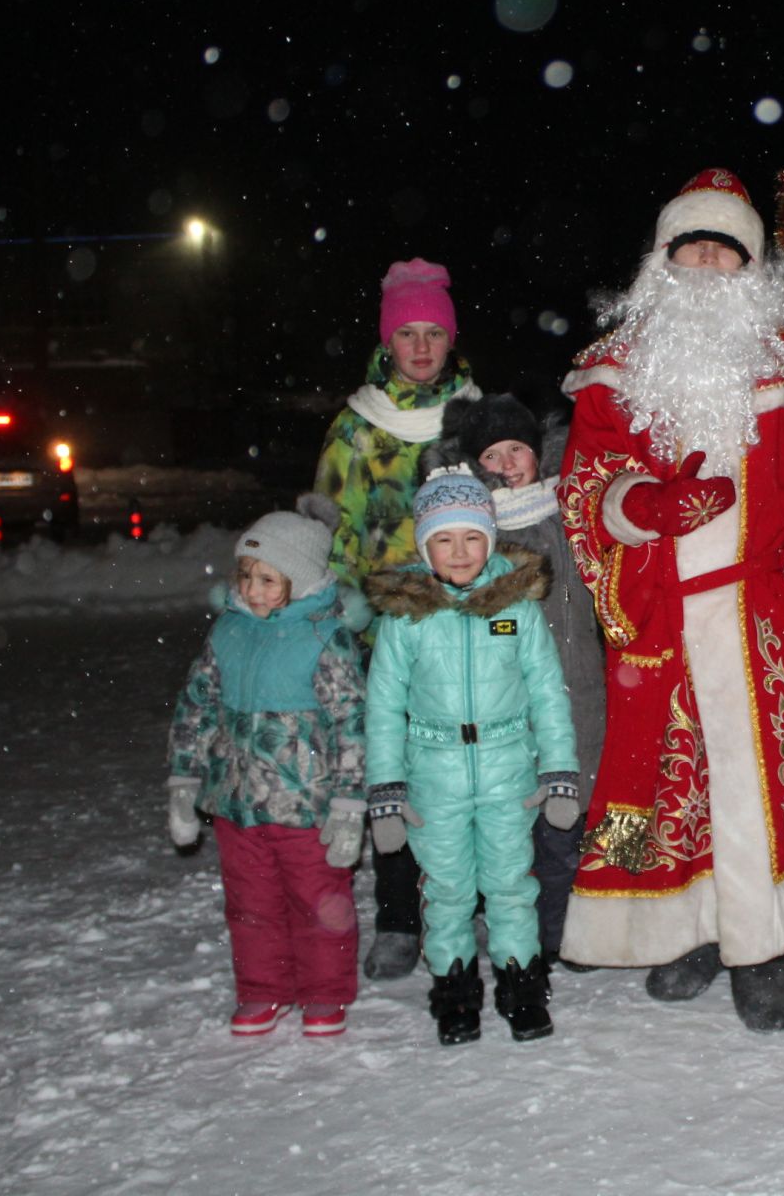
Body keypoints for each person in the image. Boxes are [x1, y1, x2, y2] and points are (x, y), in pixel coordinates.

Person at [556, 167, 784, 1032]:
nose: (704, 266)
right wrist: (643, 506)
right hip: (656, 611)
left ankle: (758, 944)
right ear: (661, 259)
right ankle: (685, 931)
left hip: (755, 616)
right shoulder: (613, 372)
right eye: (690, 247)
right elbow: (585, 485)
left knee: (748, 788)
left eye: (724, 253)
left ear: (752, 272)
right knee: (656, 788)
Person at [361, 468, 581, 1045]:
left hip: (510, 768)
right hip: (434, 772)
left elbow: (546, 695)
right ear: (425, 545)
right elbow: (383, 708)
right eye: (444, 540)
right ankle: (455, 992)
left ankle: (521, 986)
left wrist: (558, 772)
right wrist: (387, 790)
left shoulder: (518, 609)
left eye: (472, 538)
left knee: (512, 884)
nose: (460, 553)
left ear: (490, 538)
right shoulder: (406, 617)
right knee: (449, 889)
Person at [313, 256, 481, 982]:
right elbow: (329, 532)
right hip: (384, 632)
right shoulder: (355, 427)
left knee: (472, 767)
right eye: (406, 334)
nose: (420, 348)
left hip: (466, 625)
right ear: (388, 341)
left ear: (449, 340)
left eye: (432, 334)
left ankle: (469, 898)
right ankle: (398, 917)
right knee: (397, 775)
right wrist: (336, 615)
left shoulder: (477, 415)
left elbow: (507, 515)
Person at [164, 494, 370, 1037]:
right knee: (250, 906)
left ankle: (324, 995)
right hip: (237, 805)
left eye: (267, 579)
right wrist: (184, 784)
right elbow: (197, 706)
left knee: (319, 905)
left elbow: (352, 725)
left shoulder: (326, 639)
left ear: (297, 584)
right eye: (247, 576)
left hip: (309, 808)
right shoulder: (227, 632)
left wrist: (350, 807)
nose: (252, 590)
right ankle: (263, 991)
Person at [424, 391, 606, 966]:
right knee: (524, 828)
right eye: (492, 455)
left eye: (516, 449)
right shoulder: (474, 535)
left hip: (587, 695)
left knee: (585, 816)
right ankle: (533, 930)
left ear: (539, 452)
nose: (506, 464)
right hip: (516, 709)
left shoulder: (569, 510)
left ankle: (584, 921)